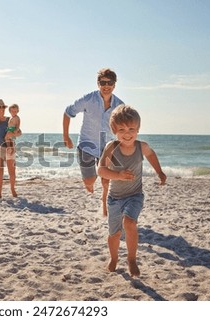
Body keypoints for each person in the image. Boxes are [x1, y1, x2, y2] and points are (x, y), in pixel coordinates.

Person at [98, 104, 167, 277]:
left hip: (134, 195)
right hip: (114, 198)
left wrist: (159, 172)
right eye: (121, 130)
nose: (127, 134)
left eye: (131, 129)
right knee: (114, 234)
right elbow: (101, 170)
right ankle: (114, 258)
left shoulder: (141, 146)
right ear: (114, 130)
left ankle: (131, 259)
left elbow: (151, 155)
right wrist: (118, 175)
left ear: (138, 129)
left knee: (130, 223)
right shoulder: (111, 147)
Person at [63, 68, 124, 216]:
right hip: (86, 146)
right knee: (90, 181)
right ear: (98, 84)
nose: (106, 85)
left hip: (107, 146)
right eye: (103, 82)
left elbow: (125, 125)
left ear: (114, 84)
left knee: (106, 180)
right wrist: (66, 137)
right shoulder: (88, 99)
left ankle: (105, 209)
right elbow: (67, 112)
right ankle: (89, 181)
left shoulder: (120, 105)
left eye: (110, 82)